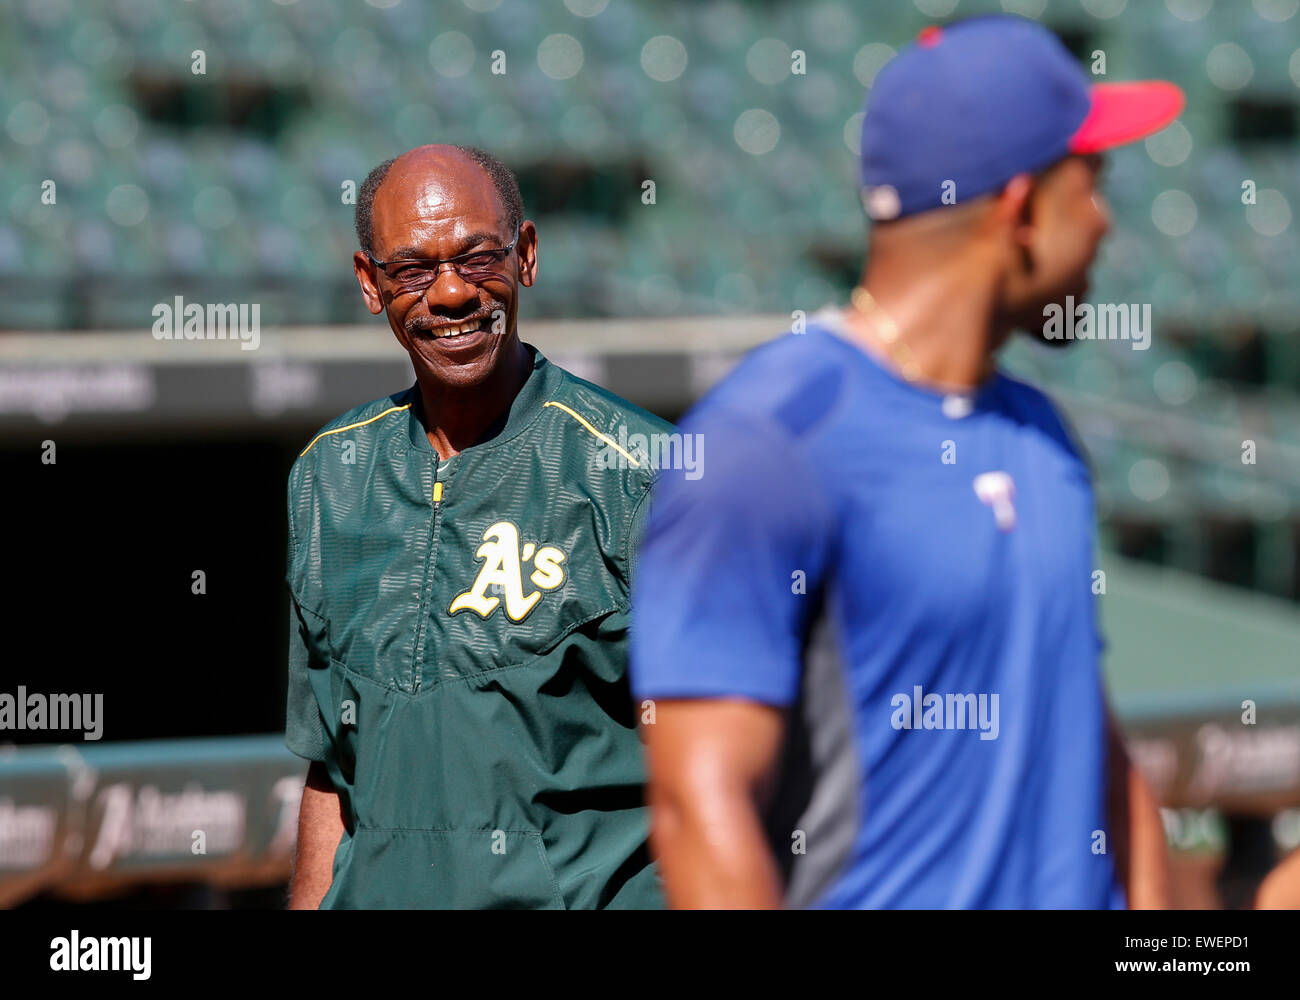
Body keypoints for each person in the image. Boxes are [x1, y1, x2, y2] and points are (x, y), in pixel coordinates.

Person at [629, 15, 1181, 908]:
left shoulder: (1042, 435)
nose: (1107, 223)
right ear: (1021, 208)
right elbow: (699, 810)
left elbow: (1099, 753)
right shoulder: (766, 443)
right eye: (1094, 184)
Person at [284, 144, 669, 909]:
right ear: (371, 284)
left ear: (525, 256)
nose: (453, 293)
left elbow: (712, 768)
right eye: (414, 270)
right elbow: (332, 769)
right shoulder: (328, 475)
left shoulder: (640, 471)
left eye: (477, 257)